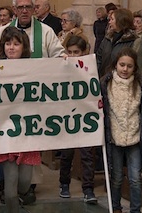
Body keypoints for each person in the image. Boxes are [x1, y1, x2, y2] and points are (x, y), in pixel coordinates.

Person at [100, 47, 142, 213]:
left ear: (135, 68)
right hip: (114, 136)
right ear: (115, 65)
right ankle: (116, 207)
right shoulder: (105, 84)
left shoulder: (140, 86)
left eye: (129, 66)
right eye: (122, 65)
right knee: (117, 177)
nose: (125, 69)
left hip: (135, 137)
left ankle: (135, 210)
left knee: (135, 178)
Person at [0, 26, 40, 212]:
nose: (11, 47)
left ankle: (20, 200)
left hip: (27, 133)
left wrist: (66, 62)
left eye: (16, 44)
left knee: (25, 182)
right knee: (10, 187)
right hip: (5, 133)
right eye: (8, 43)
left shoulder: (35, 68)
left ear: (23, 47)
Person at [59, 35, 97, 204]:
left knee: (87, 154)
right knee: (66, 153)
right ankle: (64, 183)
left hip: (85, 113)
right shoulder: (62, 67)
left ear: (84, 52)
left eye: (77, 52)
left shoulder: (91, 67)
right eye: (70, 52)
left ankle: (88, 188)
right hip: (67, 114)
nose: (73, 55)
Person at [0, 0, 64, 58]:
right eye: (21, 7)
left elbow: (58, 55)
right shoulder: (2, 31)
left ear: (33, 9)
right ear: (14, 9)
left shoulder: (46, 31)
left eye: (28, 7)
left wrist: (62, 57)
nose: (24, 11)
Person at [96, 8, 138, 77]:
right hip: (104, 79)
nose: (109, 22)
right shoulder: (107, 38)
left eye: (112, 19)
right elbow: (99, 58)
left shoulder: (133, 41)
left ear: (120, 21)